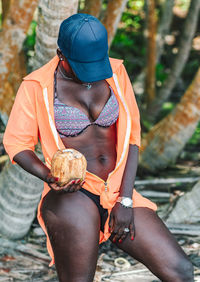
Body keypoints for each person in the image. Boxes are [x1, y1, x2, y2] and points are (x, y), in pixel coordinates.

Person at [3, 13, 194, 282]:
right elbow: (17, 143)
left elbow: (132, 137)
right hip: (74, 193)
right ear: (61, 54)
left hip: (119, 189)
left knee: (181, 272)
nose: (91, 73)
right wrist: (49, 176)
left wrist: (125, 199)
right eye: (83, 65)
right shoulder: (36, 86)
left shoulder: (116, 72)